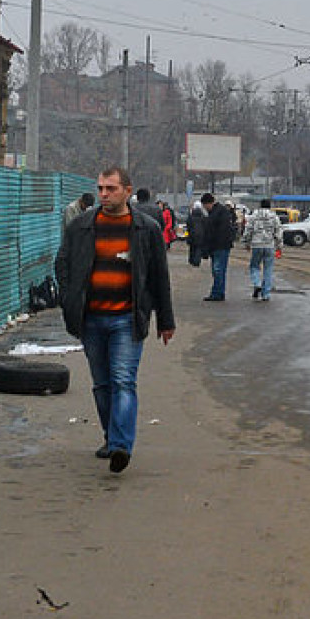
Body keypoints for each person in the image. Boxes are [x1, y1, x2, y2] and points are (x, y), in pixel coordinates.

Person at [55, 165, 175, 473]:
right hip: (91, 318)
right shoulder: (82, 226)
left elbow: (159, 275)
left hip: (126, 318)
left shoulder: (145, 228)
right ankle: (111, 438)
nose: (104, 194)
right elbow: (63, 264)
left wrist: (165, 319)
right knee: (102, 384)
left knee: (124, 381)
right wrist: (69, 299)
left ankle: (122, 446)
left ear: (128, 190)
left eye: (111, 188)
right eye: (101, 189)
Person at [198, 192, 238, 300]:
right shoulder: (218, 212)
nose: (204, 208)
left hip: (220, 246)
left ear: (208, 203)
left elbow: (218, 231)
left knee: (218, 270)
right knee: (218, 270)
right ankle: (218, 292)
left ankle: (217, 293)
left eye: (205, 205)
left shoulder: (219, 212)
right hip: (218, 246)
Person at [243, 198, 283, 301]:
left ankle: (257, 283)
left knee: (254, 266)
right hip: (269, 245)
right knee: (268, 269)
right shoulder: (274, 217)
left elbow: (248, 230)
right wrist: (279, 246)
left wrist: (247, 243)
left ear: (260, 205)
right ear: (270, 206)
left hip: (256, 245)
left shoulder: (254, 216)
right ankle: (266, 294)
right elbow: (278, 232)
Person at [186, 200, 206, 267]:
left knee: (192, 247)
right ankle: (197, 261)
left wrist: (187, 234)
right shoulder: (203, 216)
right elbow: (205, 225)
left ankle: (191, 260)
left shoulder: (191, 216)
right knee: (198, 248)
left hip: (192, 233)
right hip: (201, 234)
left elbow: (188, 225)